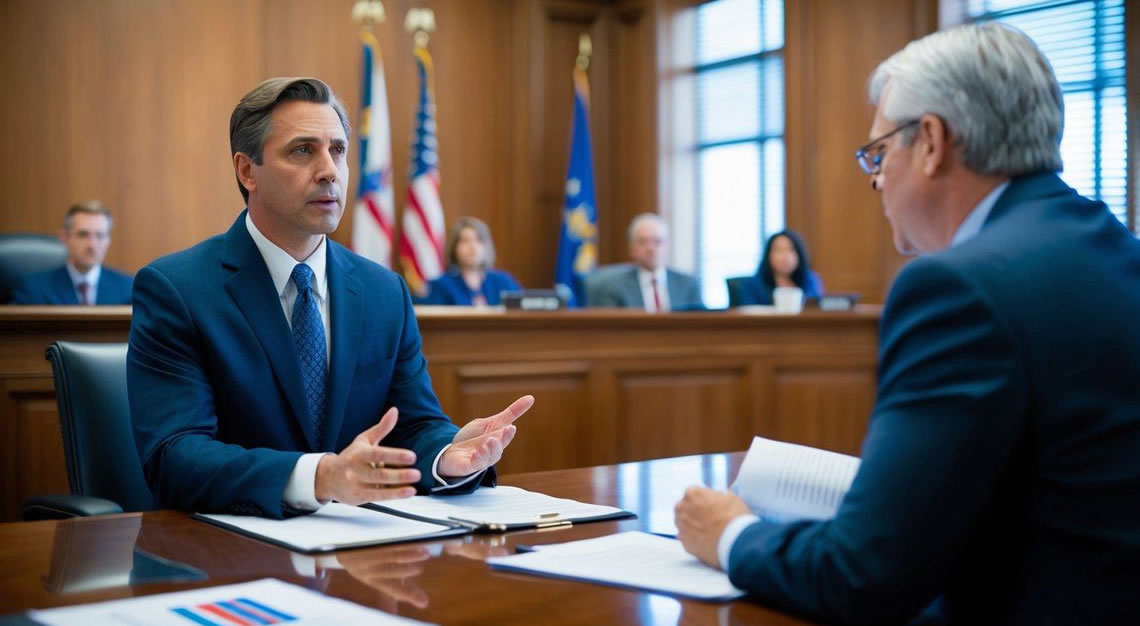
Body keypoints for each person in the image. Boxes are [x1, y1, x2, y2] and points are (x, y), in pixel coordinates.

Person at [675, 23, 1140, 624]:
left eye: (878, 151)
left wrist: (730, 534)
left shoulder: (958, 288)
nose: (874, 177)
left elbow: (862, 574)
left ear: (930, 143)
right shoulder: (1118, 250)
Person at [128, 77, 533, 519]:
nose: (330, 171)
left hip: (358, 559)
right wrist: (318, 476)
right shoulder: (177, 289)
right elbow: (175, 456)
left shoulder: (385, 291)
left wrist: (446, 456)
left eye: (338, 150)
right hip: (228, 552)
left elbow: (414, 425)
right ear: (247, 171)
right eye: (303, 150)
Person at [10, 201, 133, 305]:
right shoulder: (34, 289)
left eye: (100, 236)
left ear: (108, 240)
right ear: (64, 237)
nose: (92, 245)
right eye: (83, 235)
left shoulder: (128, 289)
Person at [584, 213, 702, 311]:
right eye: (643, 242)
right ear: (631, 248)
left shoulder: (688, 285)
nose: (650, 248)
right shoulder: (612, 287)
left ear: (668, 246)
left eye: (657, 241)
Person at [421, 217, 522, 306]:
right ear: (454, 247)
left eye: (479, 240)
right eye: (465, 241)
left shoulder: (504, 282)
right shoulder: (440, 285)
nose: (473, 247)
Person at [726, 230, 824, 307]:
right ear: (768, 255)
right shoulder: (752, 285)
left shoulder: (809, 280)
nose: (785, 257)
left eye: (791, 250)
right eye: (779, 250)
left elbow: (815, 309)